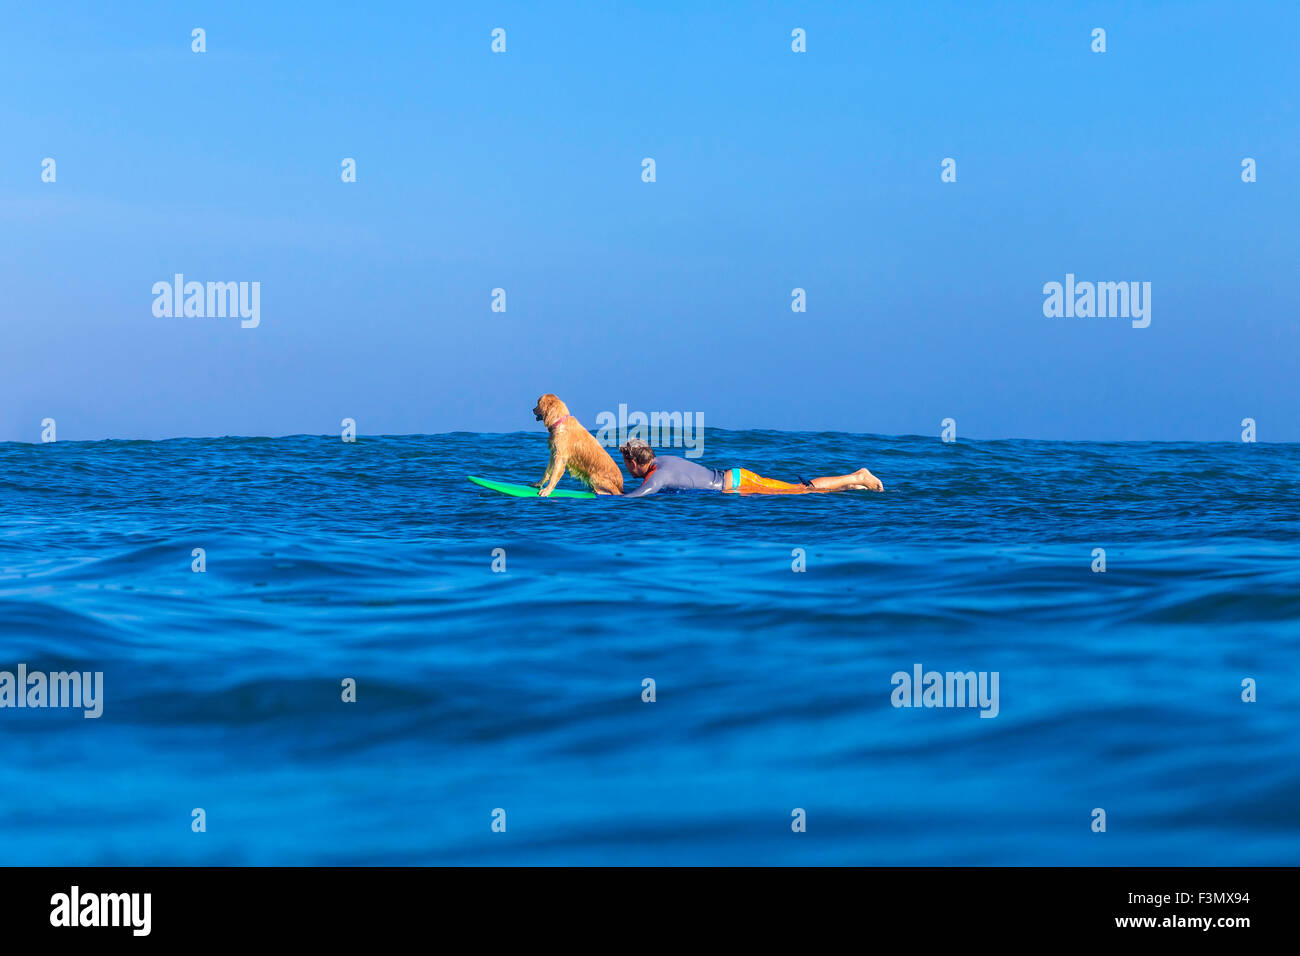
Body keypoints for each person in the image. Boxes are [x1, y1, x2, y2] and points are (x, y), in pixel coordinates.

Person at [617, 438, 883, 497]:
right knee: (799, 490)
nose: (624, 466)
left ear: (632, 461)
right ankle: (852, 484)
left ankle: (857, 475)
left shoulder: (658, 476)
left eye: (624, 462)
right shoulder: (662, 461)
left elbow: (634, 498)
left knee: (801, 491)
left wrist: (603, 498)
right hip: (736, 480)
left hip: (739, 484)